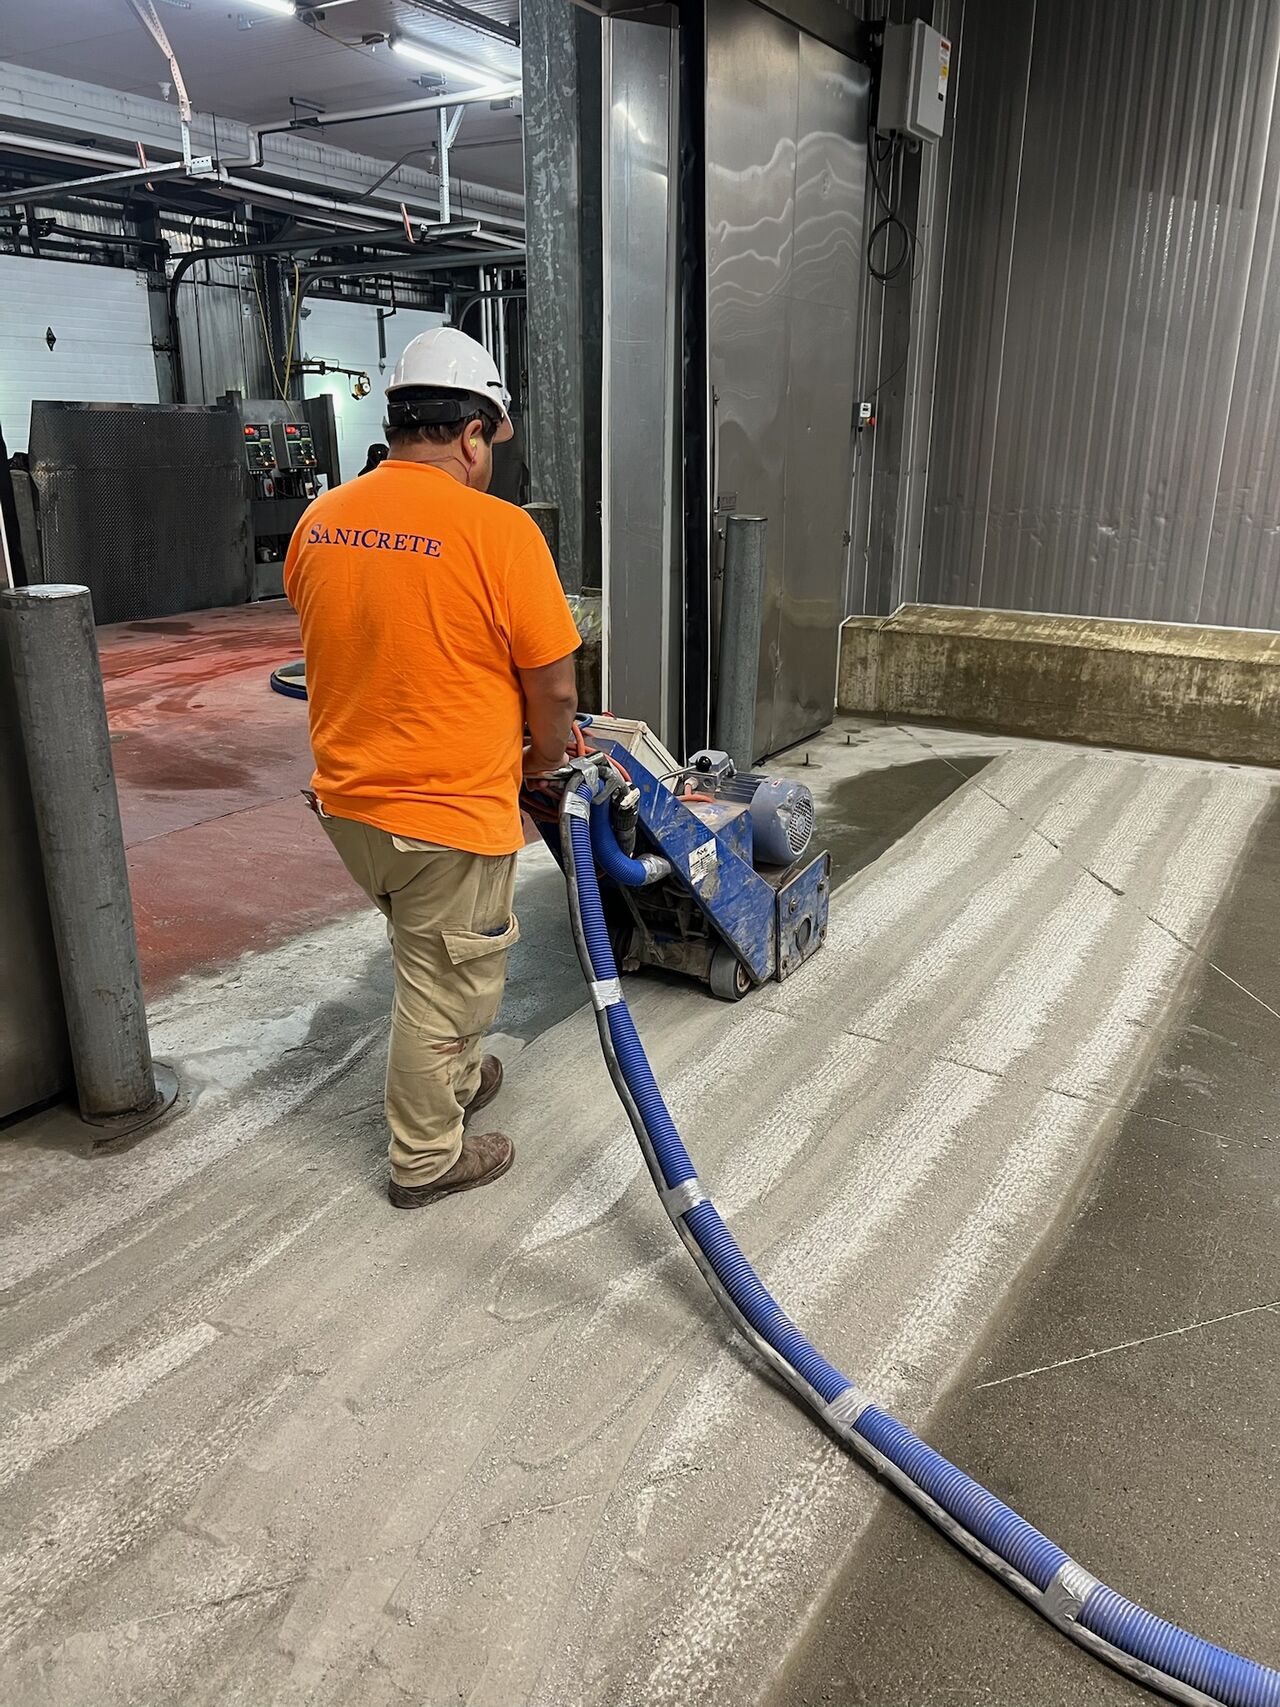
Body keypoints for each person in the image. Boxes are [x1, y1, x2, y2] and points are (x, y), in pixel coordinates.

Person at [284, 328, 580, 1210]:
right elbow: (555, 687)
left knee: (428, 956)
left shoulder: (320, 521)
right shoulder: (501, 532)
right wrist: (545, 759)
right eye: (492, 442)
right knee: (447, 991)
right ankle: (425, 1157)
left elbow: (370, 638)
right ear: (473, 435)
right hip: (445, 820)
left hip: (349, 809)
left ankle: (454, 1076)